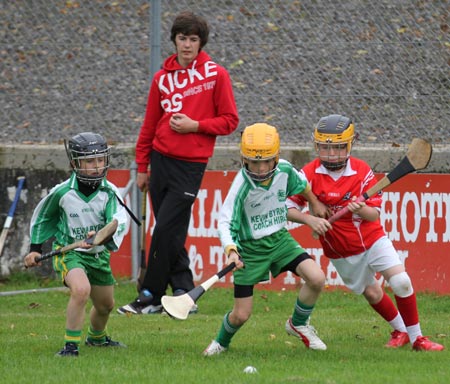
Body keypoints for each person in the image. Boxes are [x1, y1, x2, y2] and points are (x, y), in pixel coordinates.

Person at [287, 114, 444, 351]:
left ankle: (418, 339)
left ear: (349, 145)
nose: (332, 154)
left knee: (401, 281)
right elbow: (287, 208)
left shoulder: (361, 171)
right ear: (316, 146)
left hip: (373, 239)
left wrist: (359, 208)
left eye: (338, 148)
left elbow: (374, 215)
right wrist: (309, 219)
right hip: (341, 250)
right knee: (372, 292)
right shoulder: (308, 173)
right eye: (325, 148)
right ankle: (400, 330)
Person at [117, 11, 239, 315]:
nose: (186, 44)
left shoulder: (216, 74)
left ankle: (150, 295)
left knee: (164, 230)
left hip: (190, 166)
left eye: (193, 39)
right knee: (171, 231)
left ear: (201, 43)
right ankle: (184, 289)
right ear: (174, 40)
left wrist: (195, 126)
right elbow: (149, 125)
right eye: (182, 38)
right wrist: (142, 165)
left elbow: (230, 121)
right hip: (160, 161)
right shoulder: (161, 78)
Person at [203, 123, 331, 356]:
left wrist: (313, 203)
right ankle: (221, 341)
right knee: (241, 315)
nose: (261, 169)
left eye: (266, 161)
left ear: (276, 158)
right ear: (244, 160)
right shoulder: (242, 185)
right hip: (250, 250)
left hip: (280, 240)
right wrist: (232, 250)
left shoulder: (284, 170)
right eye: (254, 162)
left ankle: (298, 323)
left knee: (316, 278)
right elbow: (225, 221)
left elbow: (301, 185)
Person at [24, 132, 128, 357]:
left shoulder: (110, 192)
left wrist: (101, 235)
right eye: (90, 161)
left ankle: (97, 338)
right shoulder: (62, 192)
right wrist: (34, 249)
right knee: (81, 290)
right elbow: (43, 218)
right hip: (71, 253)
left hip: (98, 255)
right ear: (75, 163)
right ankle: (70, 346)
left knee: (105, 306)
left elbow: (116, 221)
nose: (96, 166)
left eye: (100, 160)